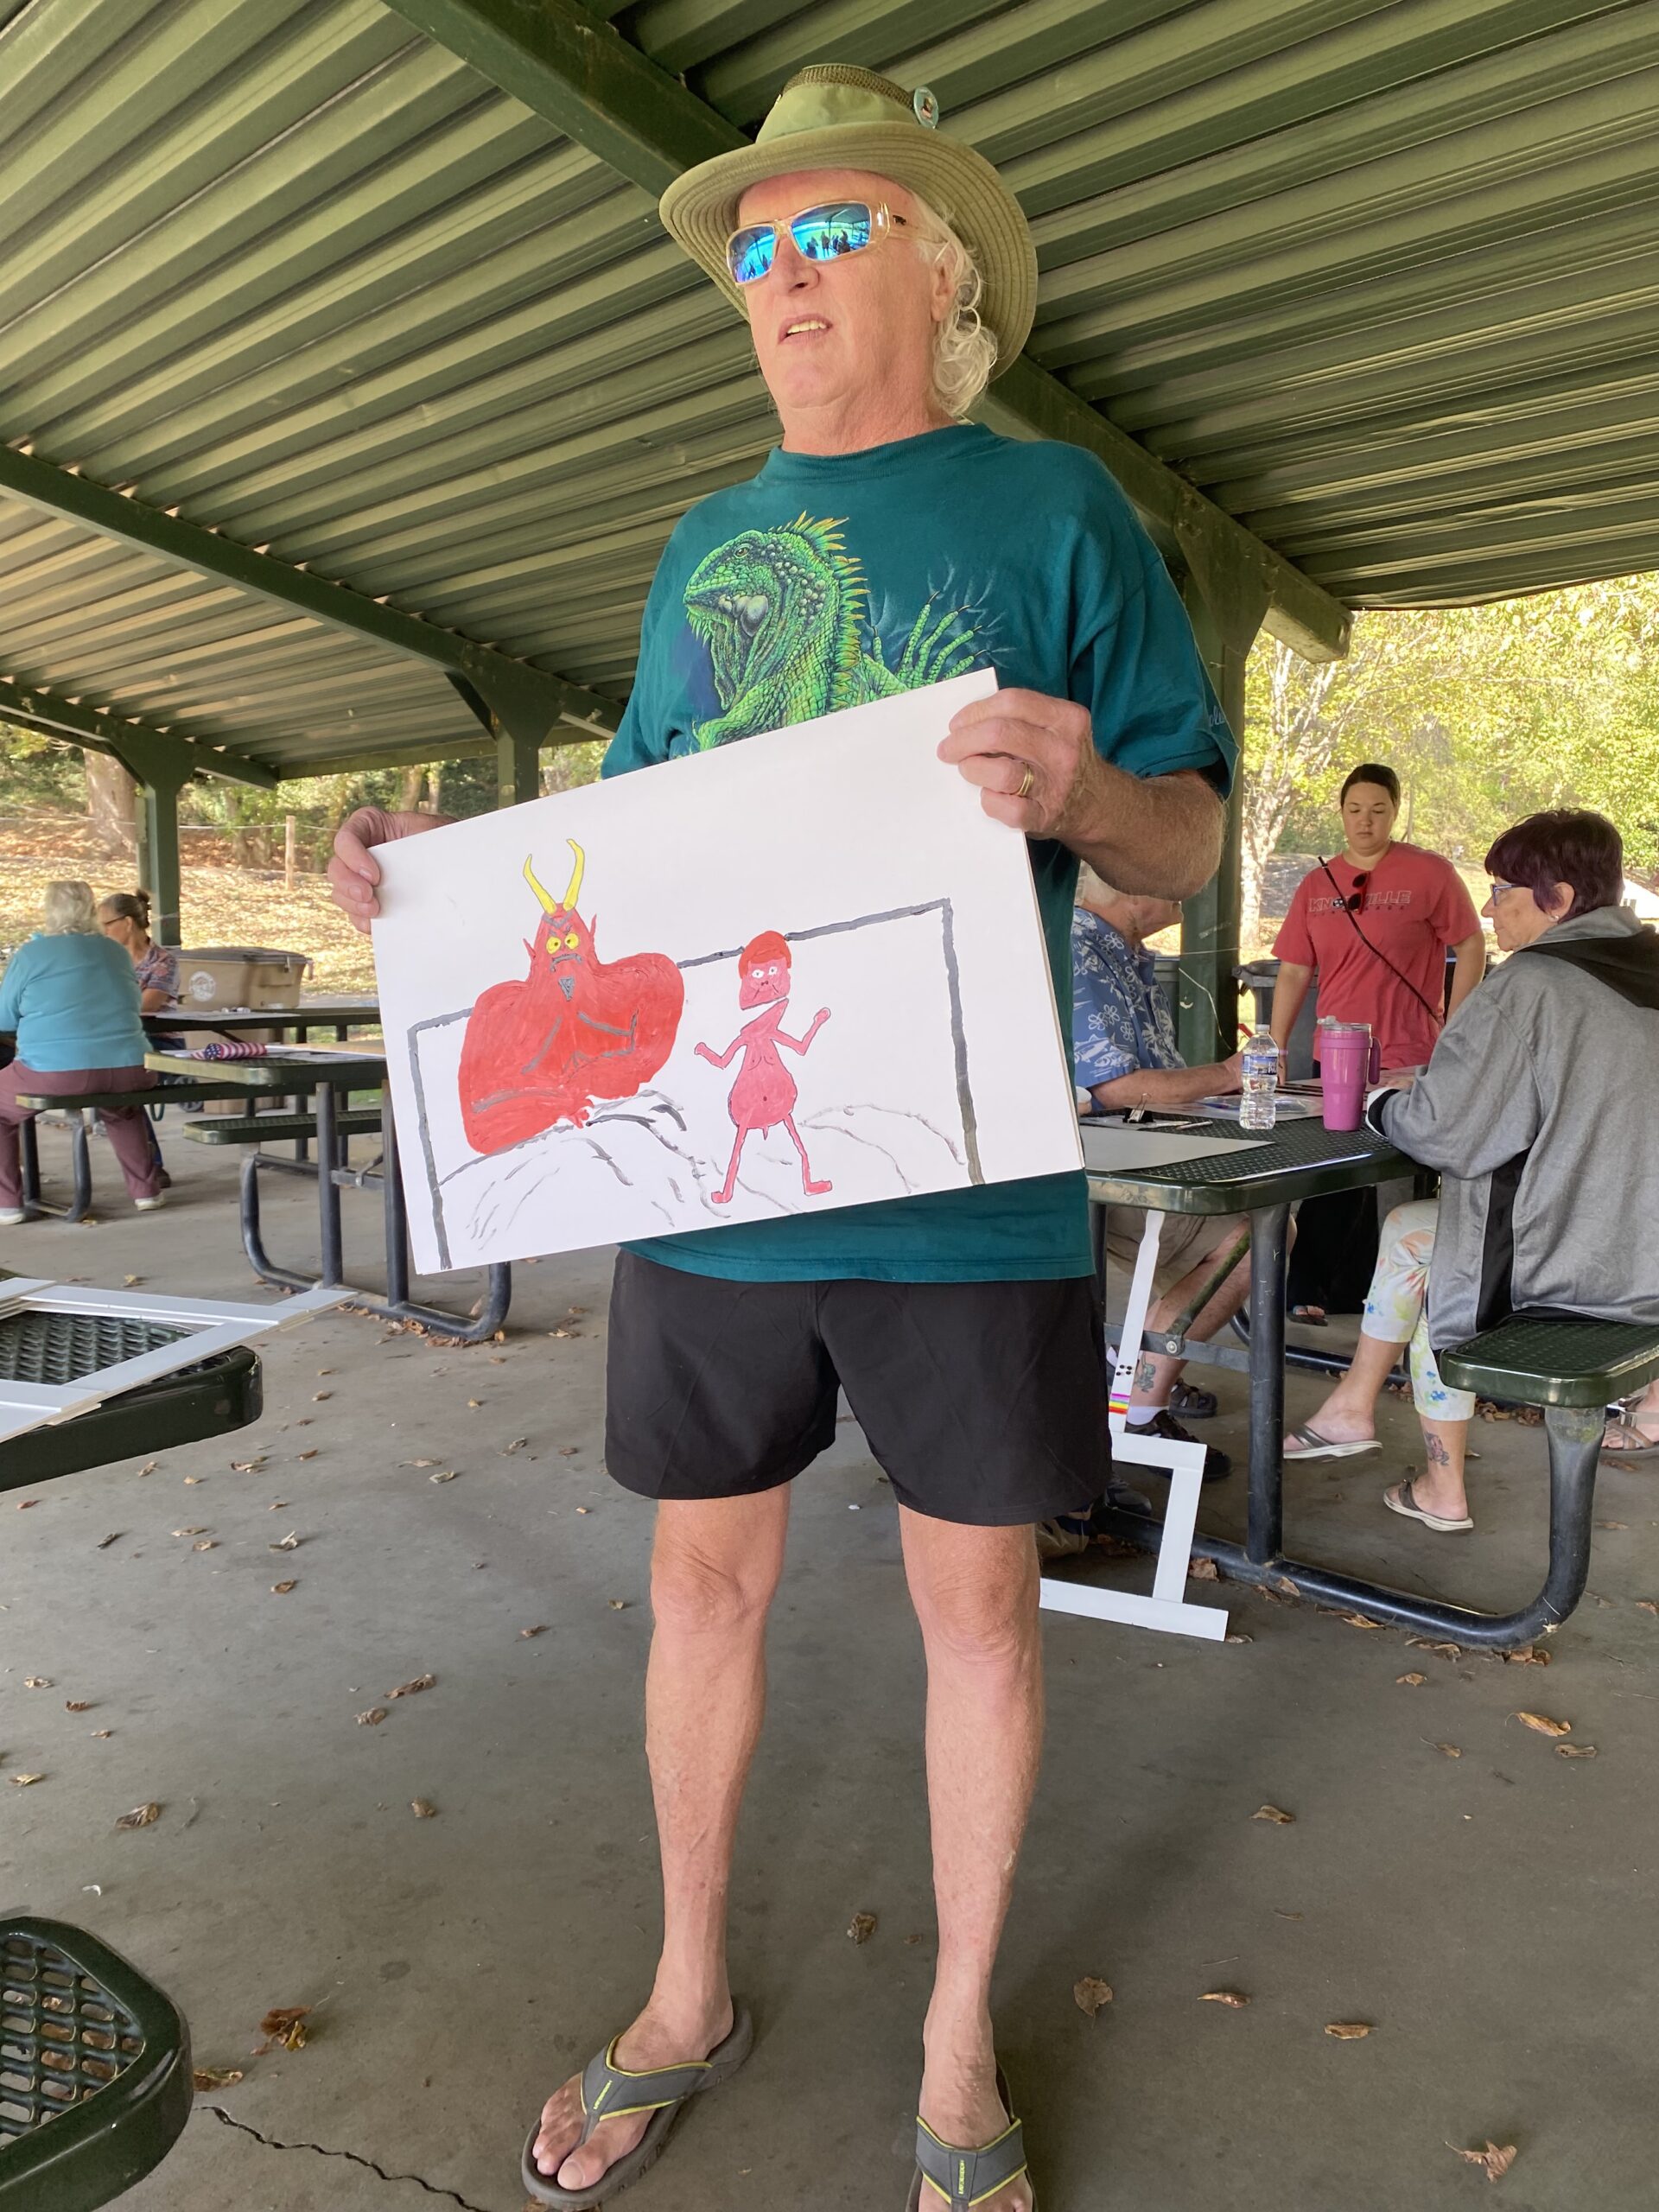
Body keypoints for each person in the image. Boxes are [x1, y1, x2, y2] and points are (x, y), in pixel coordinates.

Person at [328, 65, 1235, 2212]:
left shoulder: (1061, 511)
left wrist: (1090, 792)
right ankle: (683, 1989)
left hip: (960, 1173)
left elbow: (1177, 851)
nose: (782, 280)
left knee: (977, 1611)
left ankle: (955, 2034)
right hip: (710, 1179)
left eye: (831, 233)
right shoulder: (702, 546)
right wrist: (426, 879)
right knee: (699, 1581)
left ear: (944, 272)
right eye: (754, 250)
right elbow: (636, 844)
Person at [1281, 810, 1659, 1531]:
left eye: (1503, 890)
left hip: (1581, 1268)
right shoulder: (1646, 962)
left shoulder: (1533, 983)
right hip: (1639, 1247)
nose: (1488, 909)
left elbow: (1446, 1134)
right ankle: (1352, 1406)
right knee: (1410, 1228)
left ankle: (1441, 1486)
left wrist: (1381, 1102)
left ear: (1558, 899)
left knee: (1449, 1267)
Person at [1271, 762, 1486, 1319]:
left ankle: (1374, 1290)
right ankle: (1323, 1289)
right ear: (1341, 813)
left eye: (1378, 810)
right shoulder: (1318, 884)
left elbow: (1471, 945)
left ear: (1394, 812)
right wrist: (1274, 1045)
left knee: (1394, 1169)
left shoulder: (1430, 873)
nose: (1365, 821)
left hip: (1410, 1054)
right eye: (1354, 810)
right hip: (1336, 1052)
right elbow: (1294, 969)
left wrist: (1457, 1026)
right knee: (1335, 1167)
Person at [1070, 867, 1249, 1487]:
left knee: (1250, 1225)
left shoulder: (1123, 951)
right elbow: (1117, 1089)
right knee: (1252, 1236)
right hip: (1104, 1169)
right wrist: (1229, 1075)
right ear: (1124, 886)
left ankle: (1139, 1367)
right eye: (1170, 868)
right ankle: (1136, 1403)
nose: (1187, 884)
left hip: (1137, 1155)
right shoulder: (1084, 949)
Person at [0, 880, 163, 1225]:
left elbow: (5, 1018)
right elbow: (133, 1003)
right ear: (91, 911)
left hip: (55, 1072)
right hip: (132, 1067)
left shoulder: (31, 954)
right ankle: (146, 1192)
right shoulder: (116, 952)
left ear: (49, 911)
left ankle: (8, 1203)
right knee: (123, 1109)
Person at [98, 891, 178, 1012]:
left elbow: (146, 1005)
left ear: (128, 923)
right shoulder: (105, 958)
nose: (103, 931)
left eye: (107, 924)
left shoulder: (164, 962)